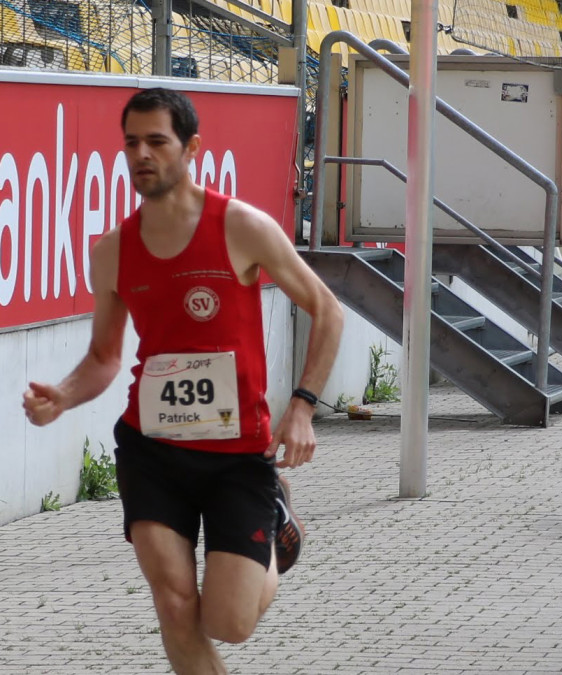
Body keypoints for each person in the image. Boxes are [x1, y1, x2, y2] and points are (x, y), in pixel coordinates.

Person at [21, 88, 345, 671]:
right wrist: (62, 396)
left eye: (157, 141)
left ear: (192, 148)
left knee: (228, 623)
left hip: (237, 456)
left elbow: (328, 309)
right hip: (152, 451)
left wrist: (301, 407)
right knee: (173, 604)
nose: (142, 154)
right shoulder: (113, 250)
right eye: (131, 143)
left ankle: (275, 520)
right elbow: (103, 357)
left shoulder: (241, 225)